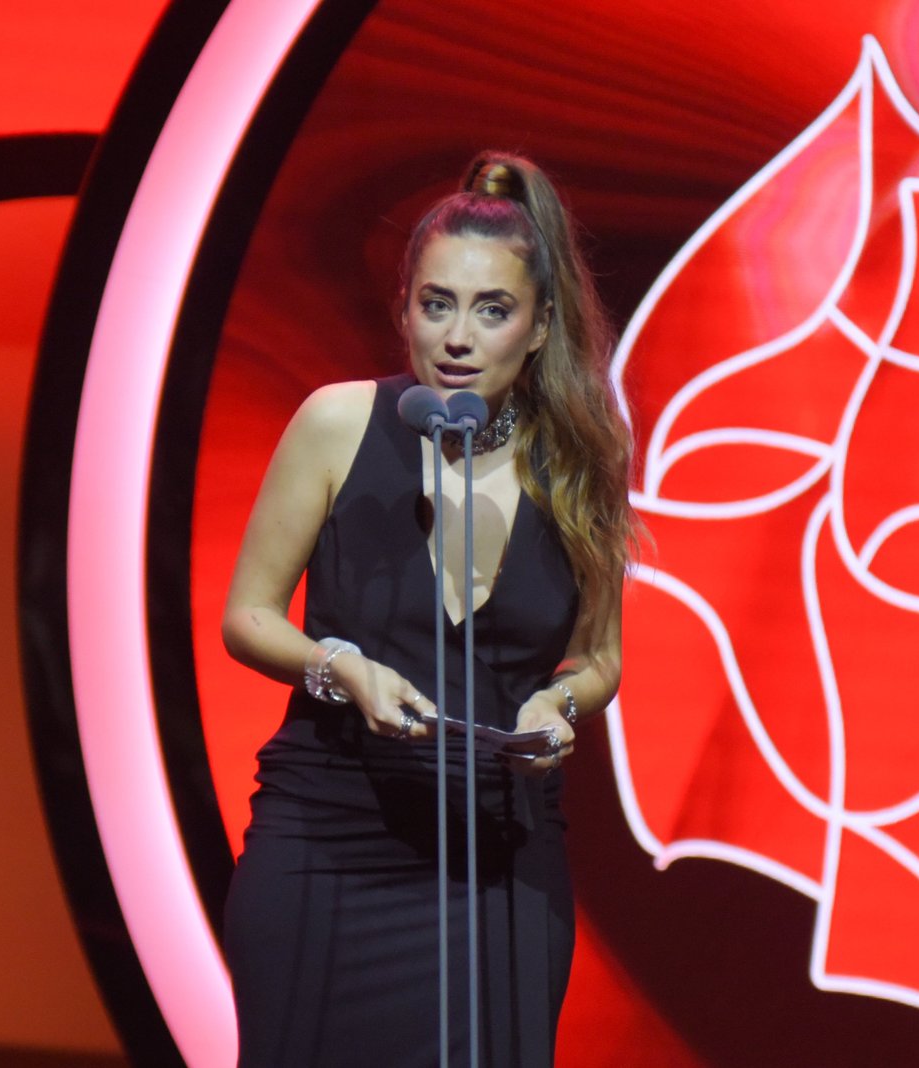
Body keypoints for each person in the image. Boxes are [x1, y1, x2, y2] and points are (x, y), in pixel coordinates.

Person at [220, 152, 635, 1067]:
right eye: (437, 304)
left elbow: (599, 657)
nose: (457, 336)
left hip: (498, 855)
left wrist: (558, 703)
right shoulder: (338, 423)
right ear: (403, 307)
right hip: (329, 839)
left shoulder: (581, 462)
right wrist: (340, 668)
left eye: (492, 310)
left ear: (540, 326)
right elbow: (248, 615)